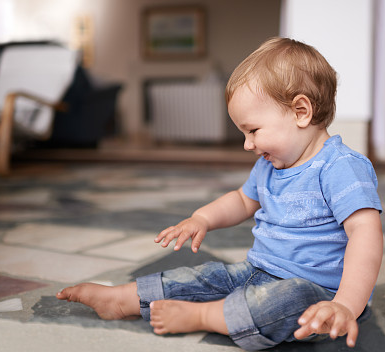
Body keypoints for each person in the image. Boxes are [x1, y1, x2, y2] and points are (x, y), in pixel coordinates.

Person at [56, 37, 383, 350]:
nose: (247, 144)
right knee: (209, 277)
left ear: (301, 111)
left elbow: (365, 235)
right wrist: (202, 219)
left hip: (319, 296)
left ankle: (203, 317)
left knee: (289, 299)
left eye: (253, 130)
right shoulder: (271, 165)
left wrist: (345, 304)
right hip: (258, 272)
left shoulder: (340, 167)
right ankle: (123, 299)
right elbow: (242, 200)